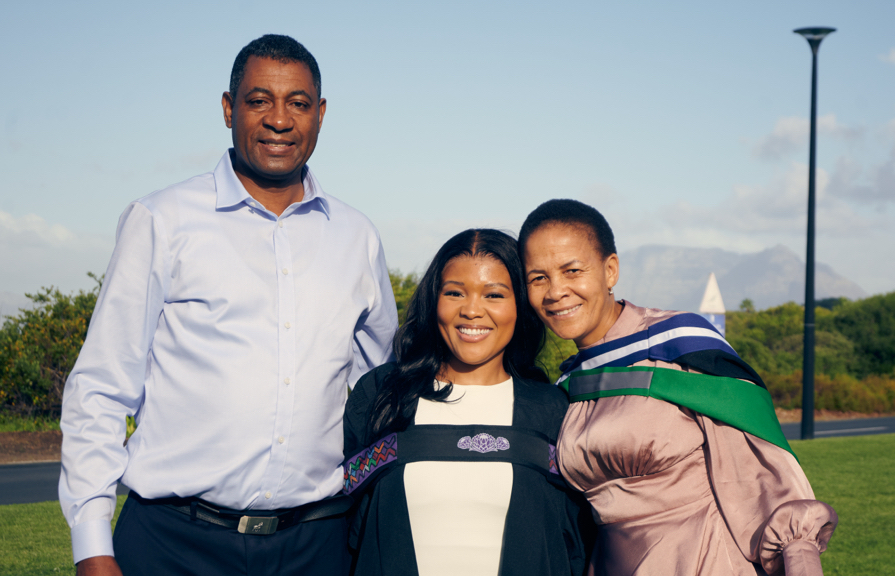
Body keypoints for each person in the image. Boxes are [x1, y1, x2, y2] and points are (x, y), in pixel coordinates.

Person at [58, 34, 398, 576]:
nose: (279, 120)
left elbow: (376, 390)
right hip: (173, 544)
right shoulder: (162, 220)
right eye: (259, 100)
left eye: (298, 103)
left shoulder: (357, 237)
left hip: (316, 546)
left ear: (320, 114)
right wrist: (92, 546)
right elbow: (100, 387)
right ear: (227, 108)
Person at [518, 199, 838, 576]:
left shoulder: (680, 344)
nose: (556, 291)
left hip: (703, 560)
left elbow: (762, 475)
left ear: (610, 270)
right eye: (538, 278)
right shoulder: (569, 384)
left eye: (572, 270)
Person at [343, 229, 592, 576]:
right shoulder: (383, 395)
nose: (472, 310)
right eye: (455, 293)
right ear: (434, 301)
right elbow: (347, 522)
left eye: (494, 295)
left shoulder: (553, 410)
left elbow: (578, 540)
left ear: (520, 306)